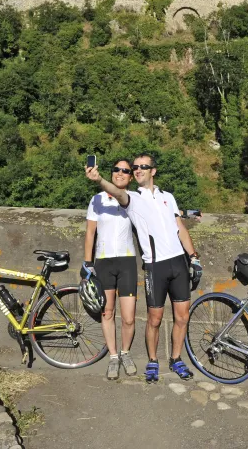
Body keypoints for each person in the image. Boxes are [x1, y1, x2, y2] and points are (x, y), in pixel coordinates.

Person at [85, 153, 202, 383]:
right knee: (154, 319)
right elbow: (116, 191)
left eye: (142, 167)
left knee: (182, 317)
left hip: (179, 261)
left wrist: (194, 257)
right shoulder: (132, 198)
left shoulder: (168, 196)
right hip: (155, 265)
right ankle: (152, 360)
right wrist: (98, 179)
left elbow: (180, 228)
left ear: (153, 171)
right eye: (134, 167)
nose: (137, 170)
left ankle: (176, 358)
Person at [83, 159, 139, 380]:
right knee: (107, 312)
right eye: (117, 169)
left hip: (126, 261)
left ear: (131, 177)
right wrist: (87, 263)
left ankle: (125, 353)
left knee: (128, 317)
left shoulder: (132, 199)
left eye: (126, 171)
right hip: (103, 260)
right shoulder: (96, 200)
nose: (120, 173)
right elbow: (90, 233)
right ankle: (113, 357)